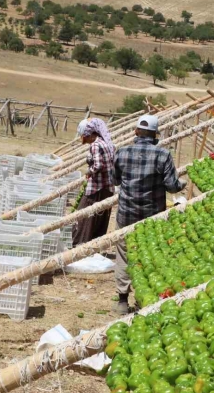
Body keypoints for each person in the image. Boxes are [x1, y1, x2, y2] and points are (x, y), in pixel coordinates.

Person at [112, 114, 186, 314]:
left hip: (126, 214)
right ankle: (147, 299)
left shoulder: (122, 152)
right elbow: (172, 187)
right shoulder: (163, 155)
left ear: (136, 132)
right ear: (156, 135)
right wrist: (182, 184)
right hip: (152, 217)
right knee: (151, 254)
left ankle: (122, 299)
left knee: (124, 254)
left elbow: (115, 181)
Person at [71, 118, 116, 246]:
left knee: (84, 216)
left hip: (97, 188)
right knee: (99, 217)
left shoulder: (96, 145)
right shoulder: (107, 143)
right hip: (107, 187)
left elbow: (98, 165)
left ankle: (80, 245)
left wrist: (89, 172)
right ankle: (95, 245)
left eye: (85, 136)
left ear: (91, 135)